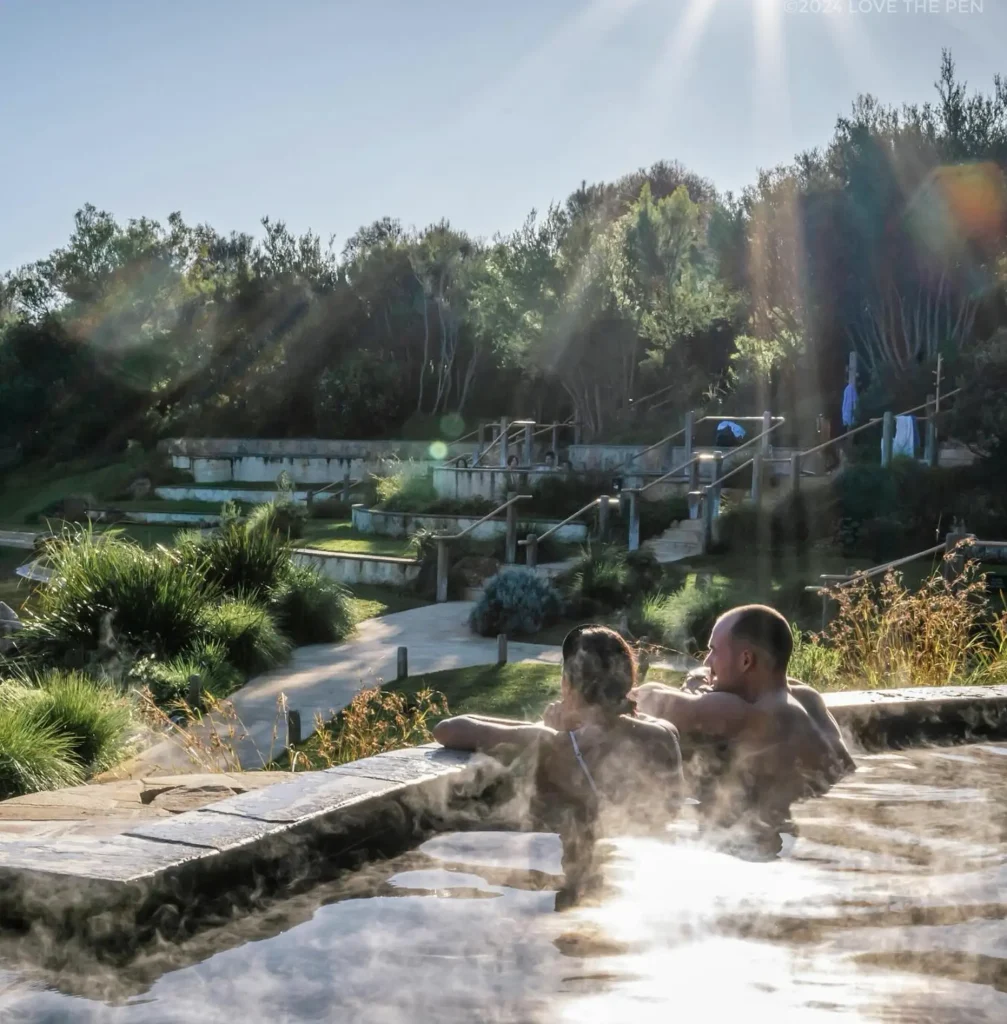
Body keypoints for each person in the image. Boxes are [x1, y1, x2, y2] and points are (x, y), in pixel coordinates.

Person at [433, 625, 685, 835]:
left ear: (567, 685)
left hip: (591, 865)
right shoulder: (664, 733)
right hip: (654, 861)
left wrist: (546, 728)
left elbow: (448, 729)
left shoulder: (561, 743)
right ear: (628, 678)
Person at [631, 605, 854, 840]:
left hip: (816, 829)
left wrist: (694, 685)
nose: (708, 661)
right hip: (837, 810)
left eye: (714, 651)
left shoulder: (755, 713)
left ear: (746, 660)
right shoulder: (806, 697)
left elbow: (653, 701)